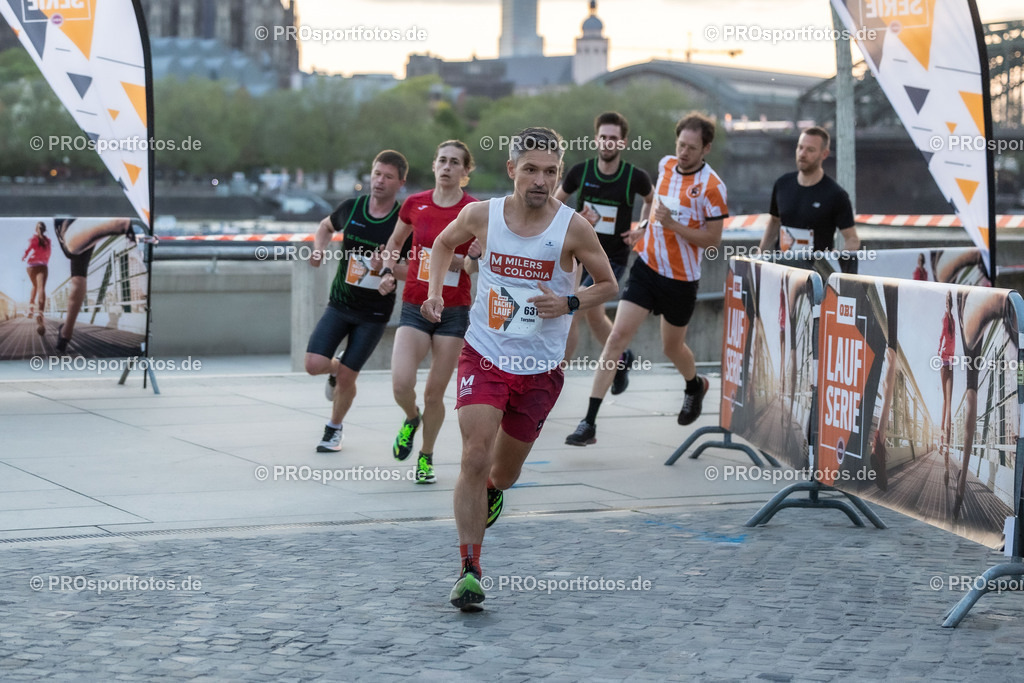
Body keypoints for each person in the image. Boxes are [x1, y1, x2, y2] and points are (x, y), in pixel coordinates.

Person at [421, 126, 617, 610]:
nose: (540, 180)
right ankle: (469, 569)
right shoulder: (481, 215)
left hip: (540, 368)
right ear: (511, 170)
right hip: (484, 354)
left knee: (502, 474)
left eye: (550, 171)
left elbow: (608, 284)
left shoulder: (572, 227)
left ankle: (493, 490)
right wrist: (435, 293)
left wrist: (569, 300)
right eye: (530, 169)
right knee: (473, 454)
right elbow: (443, 245)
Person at [565, 112, 728, 447]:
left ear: (706, 149)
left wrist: (674, 227)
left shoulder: (713, 188)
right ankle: (589, 422)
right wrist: (642, 228)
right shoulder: (667, 165)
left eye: (691, 148)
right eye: (680, 144)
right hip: (647, 268)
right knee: (617, 339)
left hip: (681, 279)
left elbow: (712, 240)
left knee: (672, 347)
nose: (683, 152)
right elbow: (655, 209)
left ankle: (695, 384)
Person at [378, 140, 480, 484]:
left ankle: (426, 456)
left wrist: (467, 258)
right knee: (401, 382)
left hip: (453, 311)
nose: (447, 167)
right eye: (442, 161)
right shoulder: (415, 204)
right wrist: (387, 270)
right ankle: (411, 418)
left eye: (455, 163)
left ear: (466, 172)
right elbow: (394, 243)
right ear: (434, 165)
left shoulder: (473, 210)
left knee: (435, 392)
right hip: (415, 305)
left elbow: (477, 265)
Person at [304, 150, 409, 453]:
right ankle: (335, 369)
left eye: (388, 177)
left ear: (400, 182)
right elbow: (325, 226)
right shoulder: (352, 207)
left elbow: (414, 269)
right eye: (377, 173)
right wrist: (319, 249)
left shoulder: (403, 222)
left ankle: (333, 430)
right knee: (314, 364)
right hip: (340, 303)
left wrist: (388, 272)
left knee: (350, 376)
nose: (380, 181)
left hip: (374, 312)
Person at [554, 111, 653, 394]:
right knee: (595, 316)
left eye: (614, 138)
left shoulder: (635, 176)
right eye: (603, 137)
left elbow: (651, 199)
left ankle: (554, 377)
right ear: (596, 139)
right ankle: (622, 358)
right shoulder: (580, 172)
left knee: (572, 309)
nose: (608, 143)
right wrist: (577, 216)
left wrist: (642, 227)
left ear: (623, 143)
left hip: (612, 259)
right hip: (578, 255)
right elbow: (553, 205)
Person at [758, 127, 860, 274]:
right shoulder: (782, 184)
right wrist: (759, 255)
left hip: (816, 277)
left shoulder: (835, 194)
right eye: (800, 147)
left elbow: (852, 239)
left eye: (810, 150)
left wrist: (838, 262)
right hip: (781, 272)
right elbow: (774, 221)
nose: (802, 154)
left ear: (824, 154)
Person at [52, 217, 137, 353]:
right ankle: (66, 333)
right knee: (78, 274)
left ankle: (121, 224)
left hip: (68, 215)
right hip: (84, 217)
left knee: (71, 248)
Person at [938, 291, 955, 487]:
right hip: (951, 360)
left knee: (943, 400)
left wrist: (937, 350)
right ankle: (947, 440)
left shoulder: (945, 317)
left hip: (943, 359)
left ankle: (941, 436)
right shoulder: (953, 319)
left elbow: (942, 336)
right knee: (949, 402)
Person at [22, 221, 51, 336]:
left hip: (30, 267)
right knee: (41, 288)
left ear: (36, 229)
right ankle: (40, 312)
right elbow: (49, 254)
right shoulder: (48, 241)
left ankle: (30, 308)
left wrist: (24, 257)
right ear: (45, 230)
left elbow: (27, 250)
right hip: (42, 265)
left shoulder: (32, 239)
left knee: (34, 285)